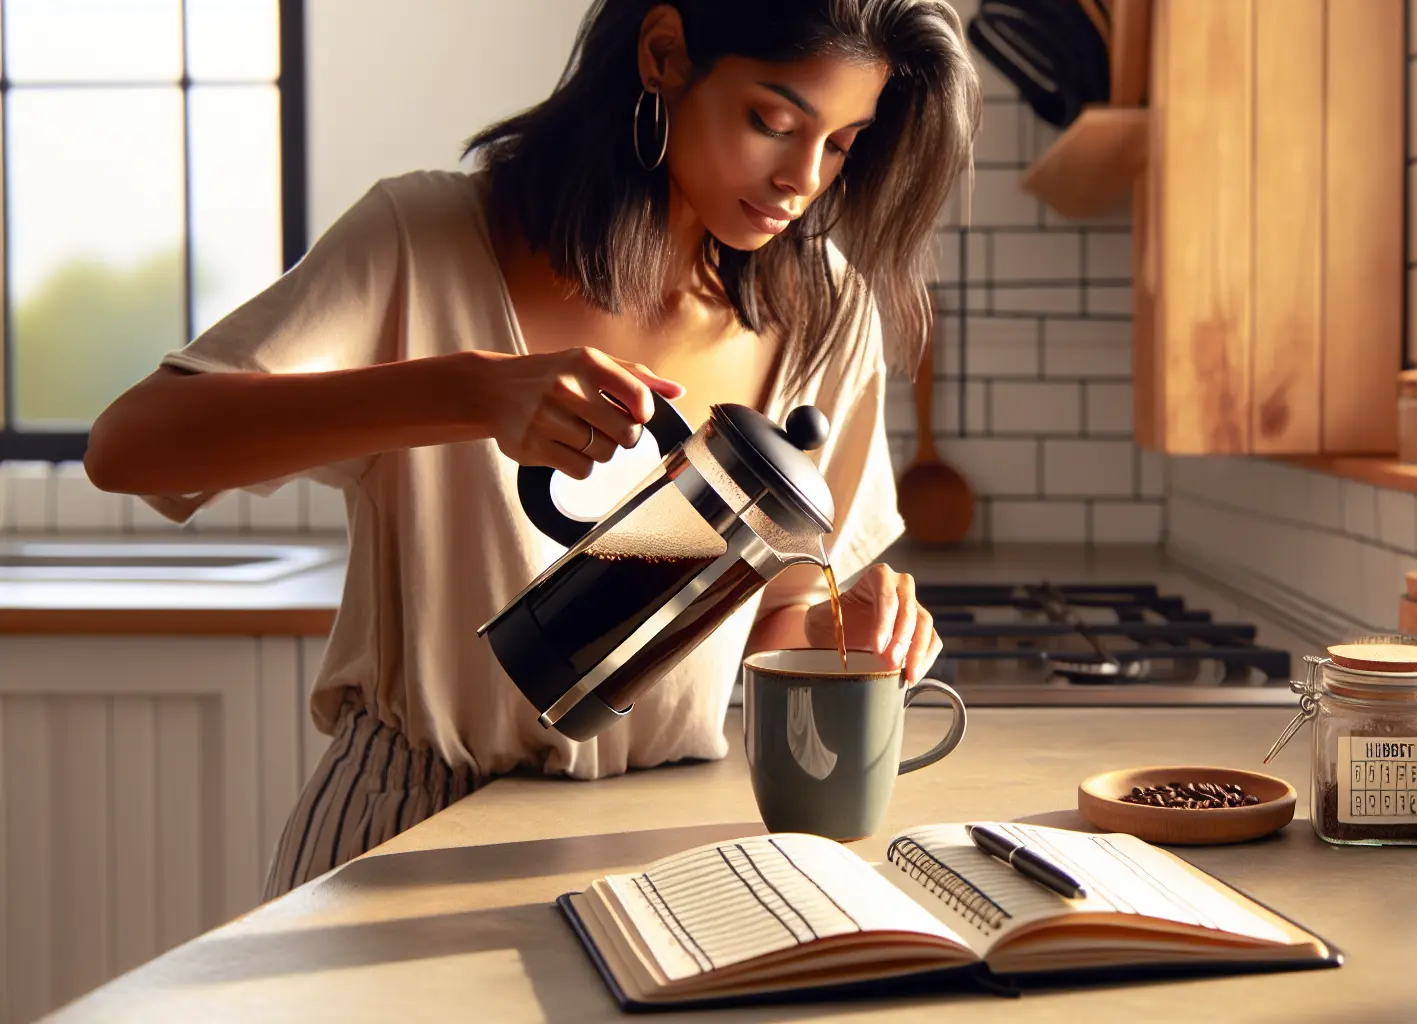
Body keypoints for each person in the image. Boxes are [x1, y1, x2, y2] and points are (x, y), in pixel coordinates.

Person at [84, 0, 980, 900]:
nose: (803, 180)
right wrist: (466, 392)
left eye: (841, 144)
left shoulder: (825, 312)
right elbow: (131, 448)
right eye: (773, 123)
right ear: (665, 52)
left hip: (655, 849)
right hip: (406, 826)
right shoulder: (427, 240)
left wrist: (842, 635)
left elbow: (780, 606)